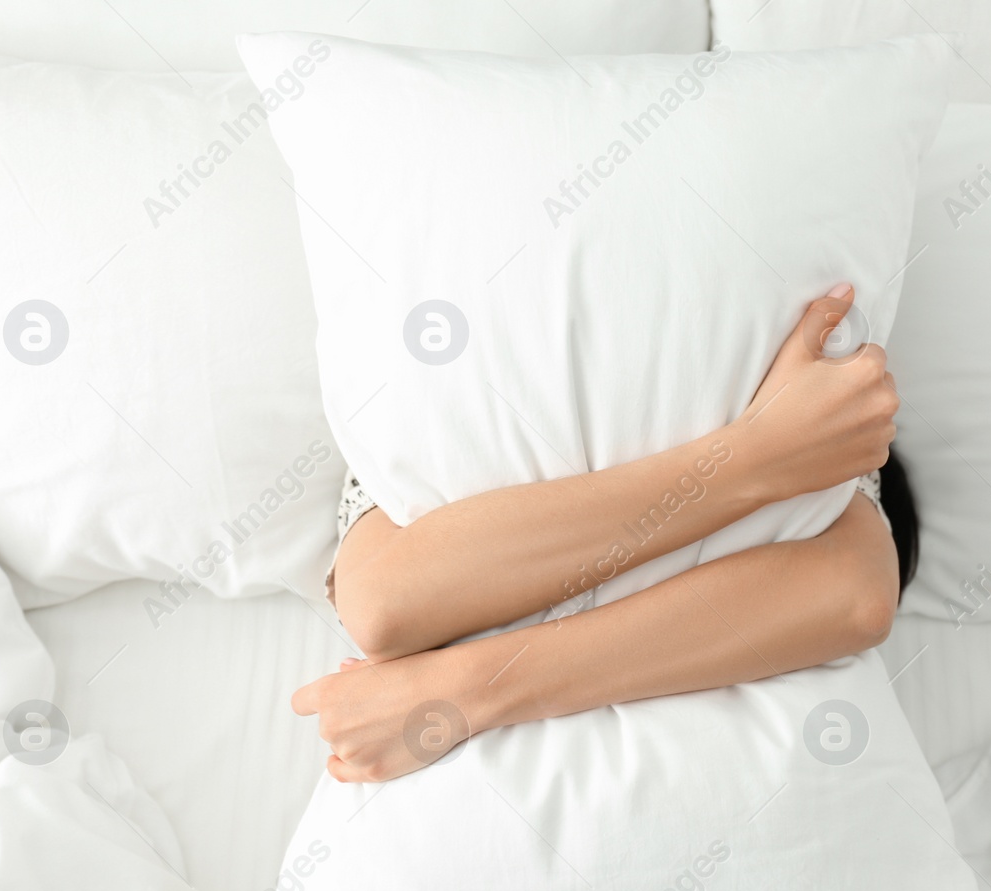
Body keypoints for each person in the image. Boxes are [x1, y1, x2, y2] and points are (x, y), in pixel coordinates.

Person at [291, 283, 917, 782]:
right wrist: (750, 461)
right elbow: (387, 604)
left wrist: (461, 691)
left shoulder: (842, 455)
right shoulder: (411, 433)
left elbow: (856, 595)